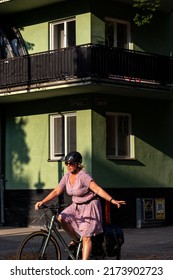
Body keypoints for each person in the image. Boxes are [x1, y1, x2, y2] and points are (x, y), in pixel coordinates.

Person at [35, 151, 126, 260]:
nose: (68, 166)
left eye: (71, 163)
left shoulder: (83, 176)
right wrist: (43, 201)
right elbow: (57, 190)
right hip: (76, 206)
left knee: (86, 237)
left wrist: (112, 200)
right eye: (66, 163)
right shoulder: (67, 177)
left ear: (78, 164)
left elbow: (97, 189)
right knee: (61, 218)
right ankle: (75, 240)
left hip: (90, 206)